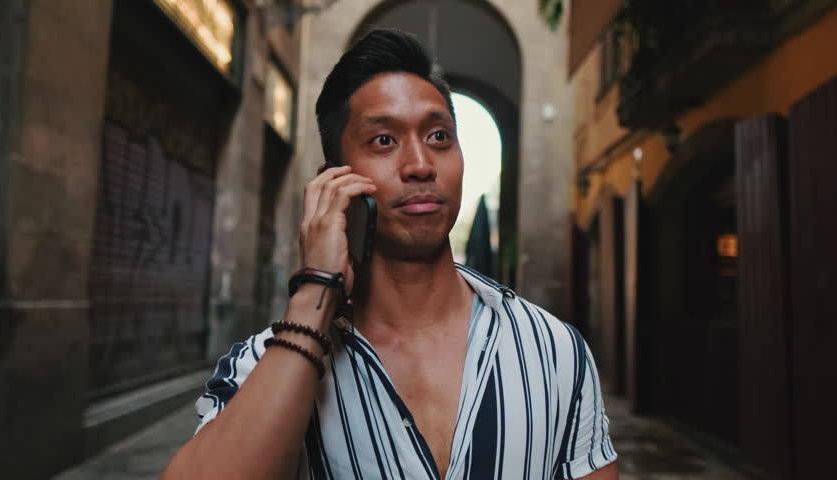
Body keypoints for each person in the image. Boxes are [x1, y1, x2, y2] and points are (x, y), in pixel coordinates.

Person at [162, 28, 617, 480]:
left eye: (439, 136)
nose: (420, 165)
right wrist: (314, 292)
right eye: (384, 140)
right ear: (333, 181)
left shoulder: (553, 350)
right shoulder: (265, 365)